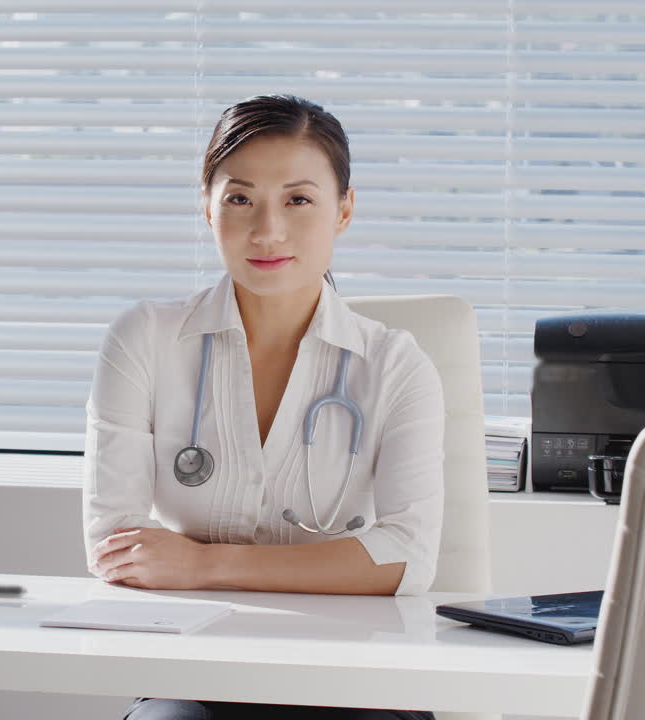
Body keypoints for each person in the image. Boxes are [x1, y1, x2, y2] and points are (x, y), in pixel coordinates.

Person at [83, 94, 443, 720]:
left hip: (355, 673)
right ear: (207, 207)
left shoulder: (395, 365)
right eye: (240, 198)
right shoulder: (144, 339)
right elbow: (114, 546)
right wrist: (337, 564)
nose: (267, 230)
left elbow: (409, 556)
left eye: (298, 200)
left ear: (345, 210)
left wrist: (203, 565)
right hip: (195, 675)